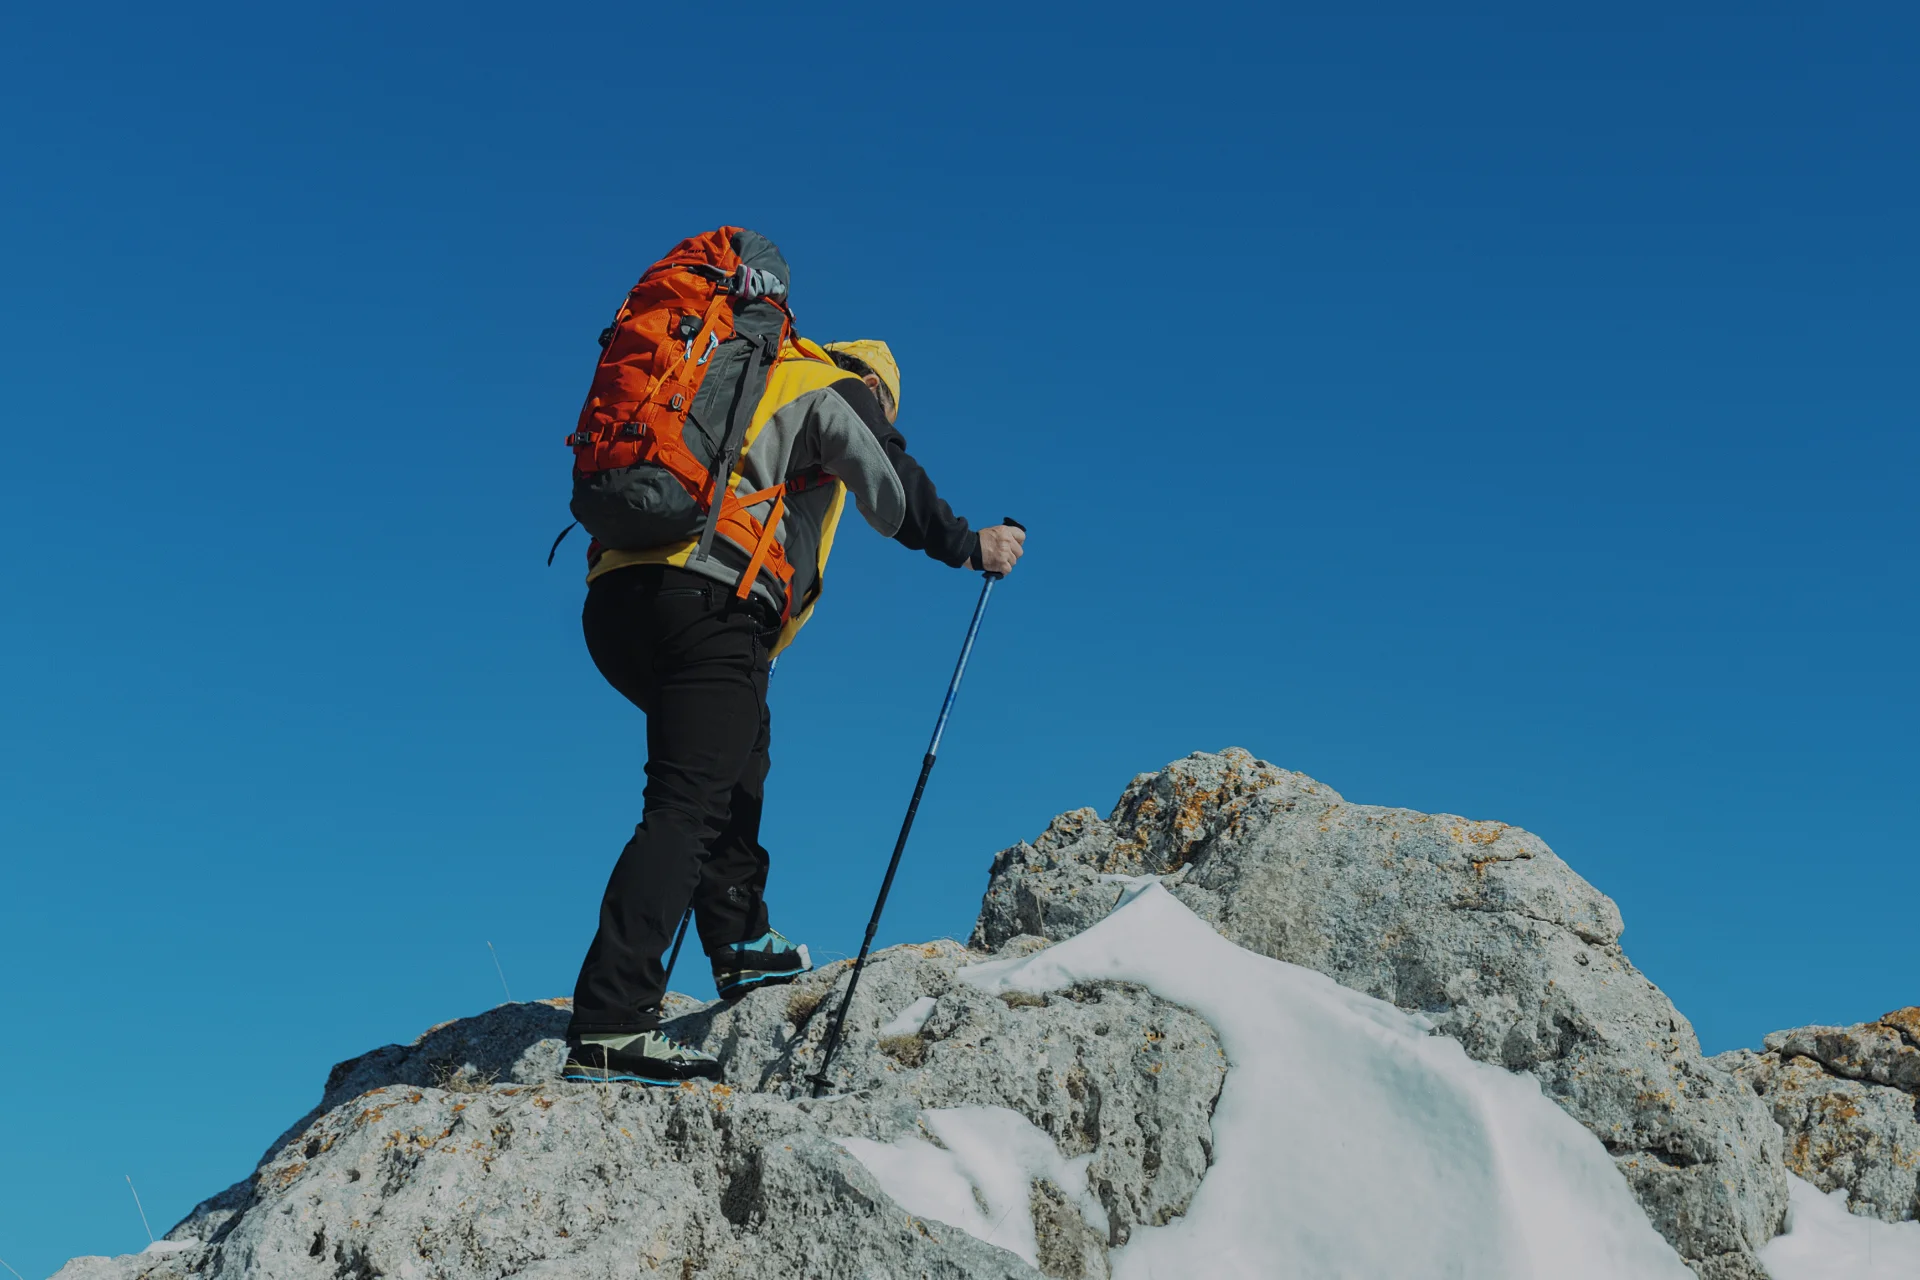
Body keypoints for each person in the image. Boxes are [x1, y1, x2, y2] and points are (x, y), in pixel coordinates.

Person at [563, 336, 1026, 1084]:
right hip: (708, 600)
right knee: (685, 804)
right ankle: (612, 1021)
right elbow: (893, 489)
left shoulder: (744, 388)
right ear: (878, 388)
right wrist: (971, 545)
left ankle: (739, 939)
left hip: (618, 602)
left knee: (736, 760)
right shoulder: (832, 386)